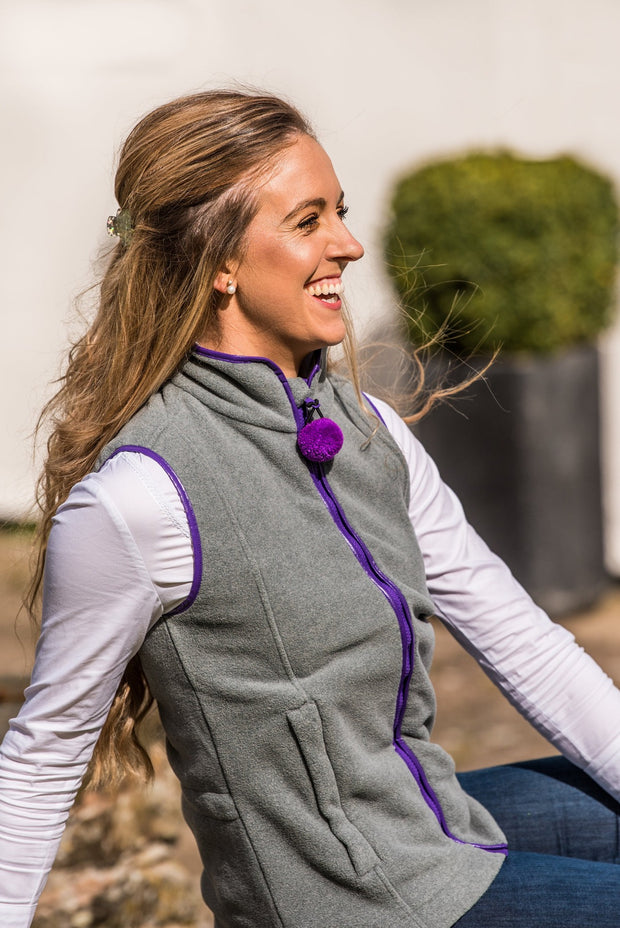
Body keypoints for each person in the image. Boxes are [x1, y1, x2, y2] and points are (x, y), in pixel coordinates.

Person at [0, 89, 619, 928]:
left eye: (342, 212)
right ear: (219, 262)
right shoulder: (141, 498)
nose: (350, 244)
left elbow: (525, 645)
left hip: (424, 822)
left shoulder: (368, 433)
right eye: (308, 220)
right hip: (345, 901)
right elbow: (44, 756)